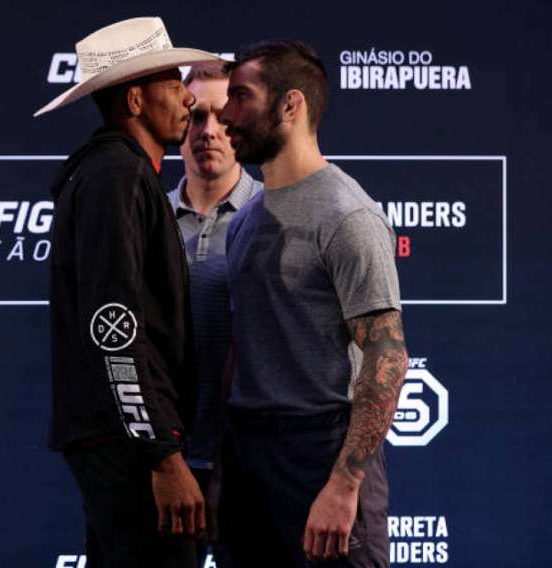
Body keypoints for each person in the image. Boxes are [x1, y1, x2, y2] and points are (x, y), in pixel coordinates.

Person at [34, 17, 221, 568]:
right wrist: (162, 455)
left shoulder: (114, 172)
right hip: (130, 445)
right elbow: (114, 325)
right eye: (173, 85)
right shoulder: (117, 176)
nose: (188, 98)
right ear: (135, 100)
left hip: (120, 438)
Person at [218, 40, 409, 567]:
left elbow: (386, 358)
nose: (226, 113)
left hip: (323, 453)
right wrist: (223, 468)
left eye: (241, 96)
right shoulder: (247, 219)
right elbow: (242, 347)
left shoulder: (348, 217)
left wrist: (345, 485)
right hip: (249, 457)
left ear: (290, 106)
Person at [166, 60, 261, 546]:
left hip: (251, 468)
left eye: (223, 119)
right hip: (163, 469)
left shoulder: (274, 217)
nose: (209, 132)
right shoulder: (146, 217)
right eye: (196, 116)